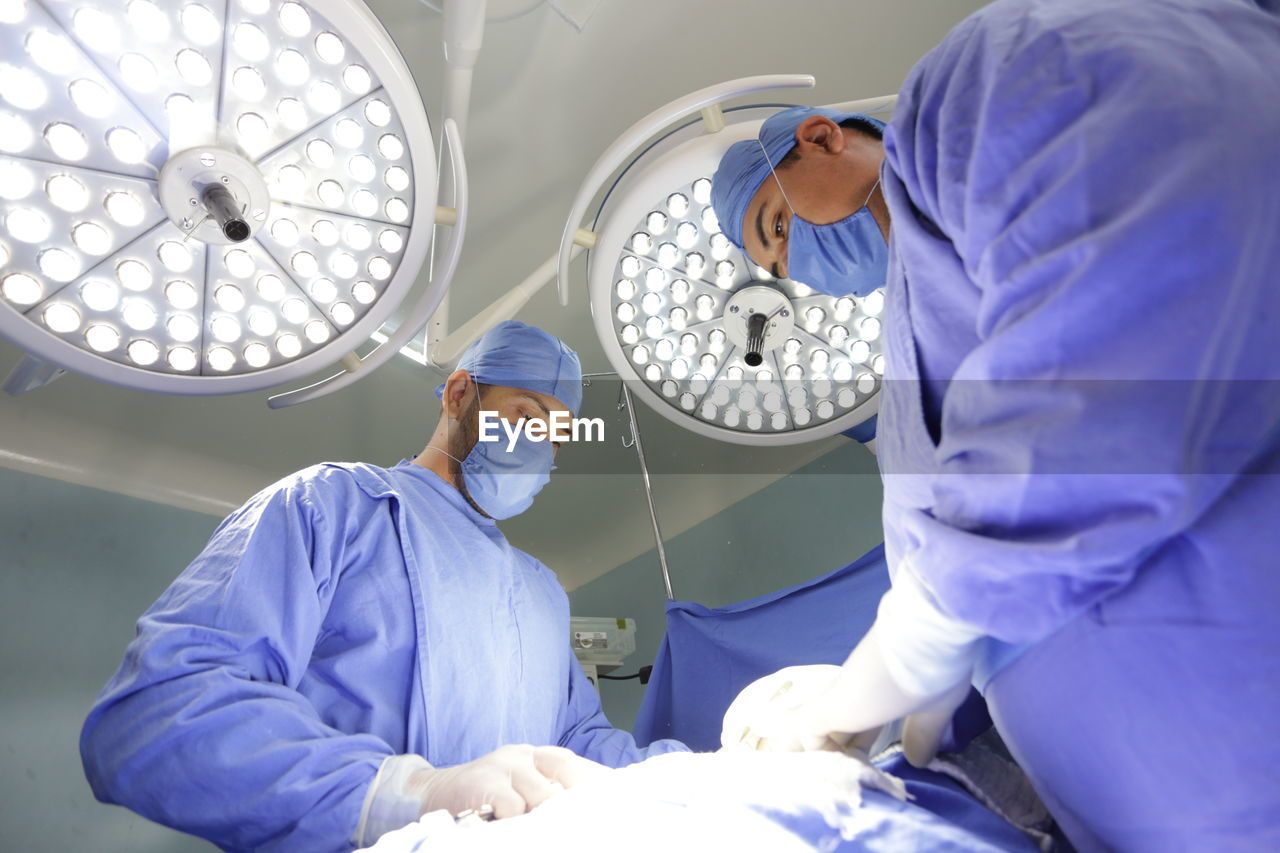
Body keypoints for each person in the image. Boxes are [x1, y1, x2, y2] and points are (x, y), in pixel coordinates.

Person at [710, 0, 1280, 850]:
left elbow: (1168, 250)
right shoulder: (911, 367)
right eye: (779, 267)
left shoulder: (985, 79)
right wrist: (945, 705)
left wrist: (914, 643)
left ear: (824, 138)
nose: (794, 269)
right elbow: (982, 583)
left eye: (779, 226)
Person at [80, 321, 686, 853]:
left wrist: (710, 774)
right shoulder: (331, 507)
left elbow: (577, 745)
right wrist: (408, 795)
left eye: (555, 436)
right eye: (526, 416)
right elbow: (158, 714)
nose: (538, 448)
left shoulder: (542, 594)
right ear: (458, 393)